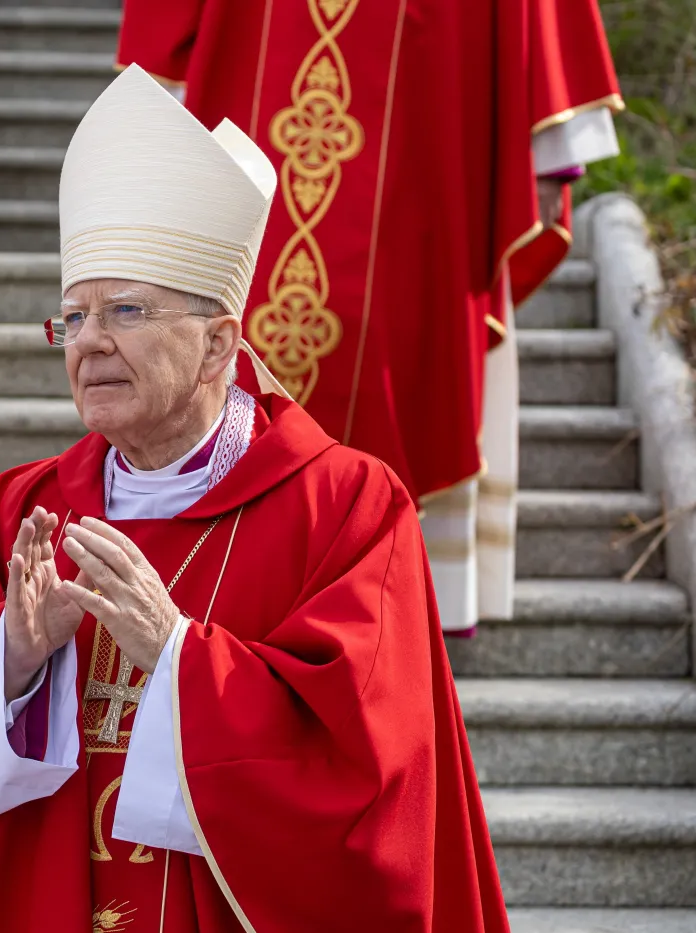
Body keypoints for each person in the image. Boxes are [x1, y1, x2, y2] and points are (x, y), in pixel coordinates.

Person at [0, 66, 508, 933]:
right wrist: (9, 655)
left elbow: (372, 768)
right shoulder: (28, 507)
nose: (89, 343)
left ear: (216, 344)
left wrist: (178, 657)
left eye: (124, 309)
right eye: (72, 319)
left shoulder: (346, 508)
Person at [116, 0, 623, 635]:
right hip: (251, 99)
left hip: (425, 117)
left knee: (408, 328)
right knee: (234, 302)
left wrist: (548, 146)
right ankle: (221, 573)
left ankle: (404, 594)